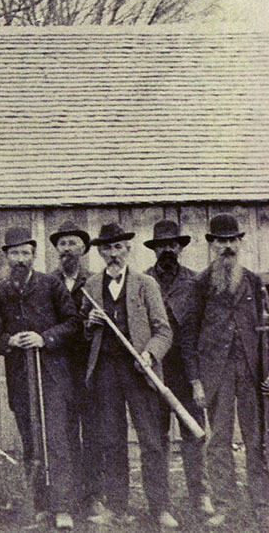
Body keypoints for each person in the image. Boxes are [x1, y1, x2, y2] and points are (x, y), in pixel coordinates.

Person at [81, 223, 176, 528]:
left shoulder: (146, 284)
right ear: (99, 252)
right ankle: (117, 506)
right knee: (112, 441)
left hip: (140, 372)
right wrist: (90, 323)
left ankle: (160, 507)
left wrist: (150, 354)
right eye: (107, 248)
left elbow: (164, 331)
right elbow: (84, 336)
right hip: (106, 372)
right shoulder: (92, 286)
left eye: (118, 247)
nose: (113, 254)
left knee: (151, 441)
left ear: (128, 250)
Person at [0, 226, 79, 529]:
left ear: (34, 255)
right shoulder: (0, 292)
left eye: (25, 253)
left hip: (51, 375)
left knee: (55, 440)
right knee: (30, 441)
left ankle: (63, 506)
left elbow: (73, 323)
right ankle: (40, 504)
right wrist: (8, 342)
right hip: (19, 376)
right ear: (6, 256)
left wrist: (44, 338)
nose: (20, 259)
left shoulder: (51, 284)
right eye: (14, 253)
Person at [189, 214, 269, 530]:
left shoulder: (253, 281)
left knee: (256, 437)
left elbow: (265, 331)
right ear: (212, 245)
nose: (227, 247)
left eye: (232, 240)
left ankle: (261, 502)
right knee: (219, 439)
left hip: (250, 371)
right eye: (221, 241)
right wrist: (196, 380)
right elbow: (189, 335)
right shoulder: (201, 283)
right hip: (216, 372)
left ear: (240, 242)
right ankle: (223, 502)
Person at [143, 219, 214, 518]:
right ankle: (160, 505)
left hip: (187, 371)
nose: (167, 250)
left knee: (193, 436)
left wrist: (198, 377)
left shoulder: (196, 282)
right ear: (155, 249)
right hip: (153, 370)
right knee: (156, 440)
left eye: (173, 244)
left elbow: (201, 330)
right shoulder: (142, 281)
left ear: (181, 248)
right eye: (162, 245)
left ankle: (201, 496)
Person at [48, 220, 98, 515]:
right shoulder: (46, 282)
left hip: (89, 367)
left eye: (73, 243)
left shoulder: (94, 281)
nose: (67, 249)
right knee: (62, 434)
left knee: (91, 432)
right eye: (62, 244)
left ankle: (92, 495)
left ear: (84, 249)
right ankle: (64, 497)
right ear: (56, 249)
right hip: (57, 368)